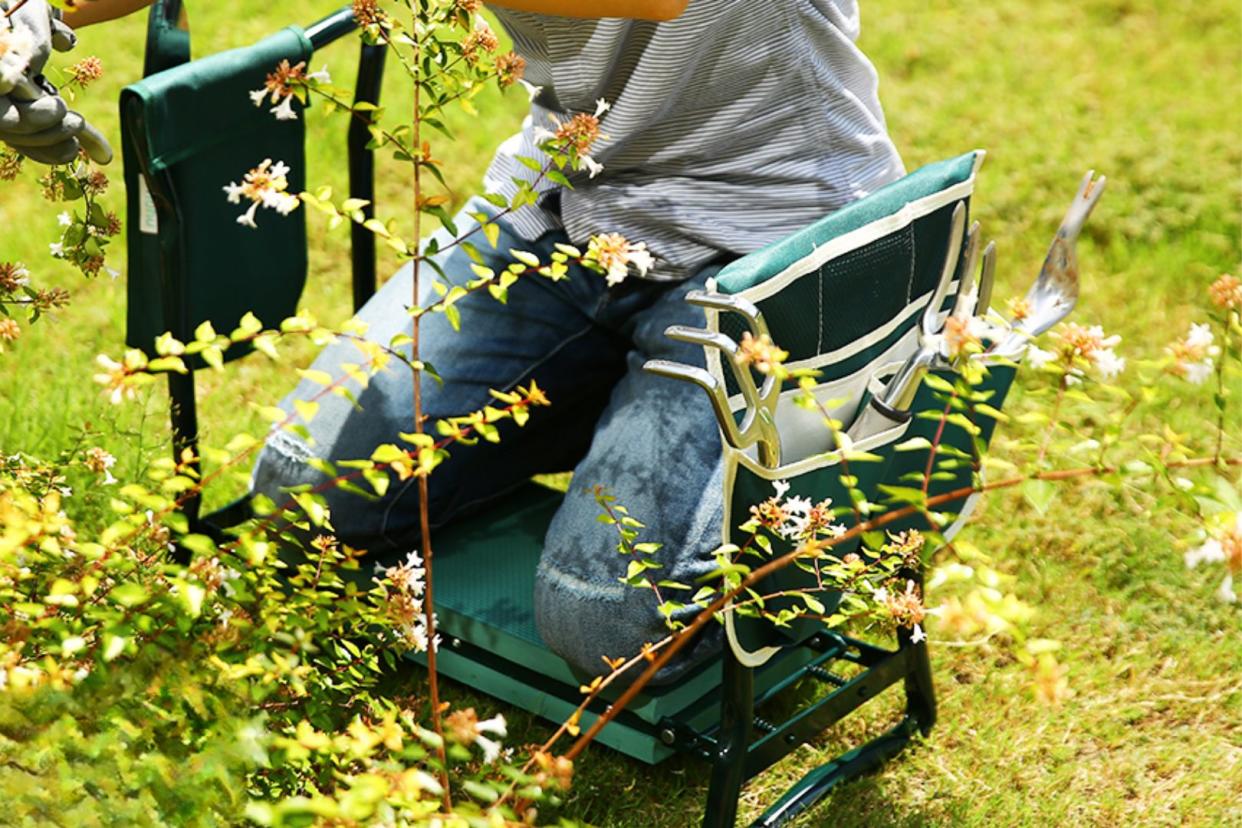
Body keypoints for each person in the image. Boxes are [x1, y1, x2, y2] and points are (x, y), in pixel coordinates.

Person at [2, 0, 904, 681]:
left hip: (767, 245)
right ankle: (611, 411)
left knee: (607, 627)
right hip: (566, 211)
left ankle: (825, 475)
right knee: (303, 494)